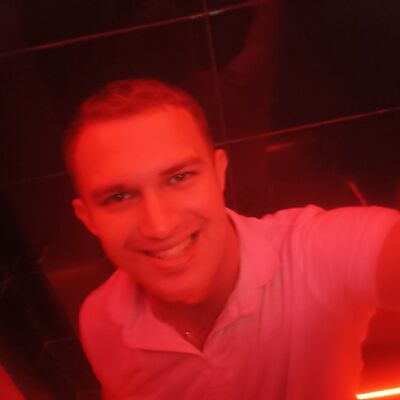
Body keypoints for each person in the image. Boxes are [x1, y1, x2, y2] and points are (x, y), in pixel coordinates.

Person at [64, 79, 400, 400]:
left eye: (179, 177)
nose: (160, 226)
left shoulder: (315, 254)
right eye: (119, 197)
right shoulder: (100, 320)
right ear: (87, 218)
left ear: (219, 173)